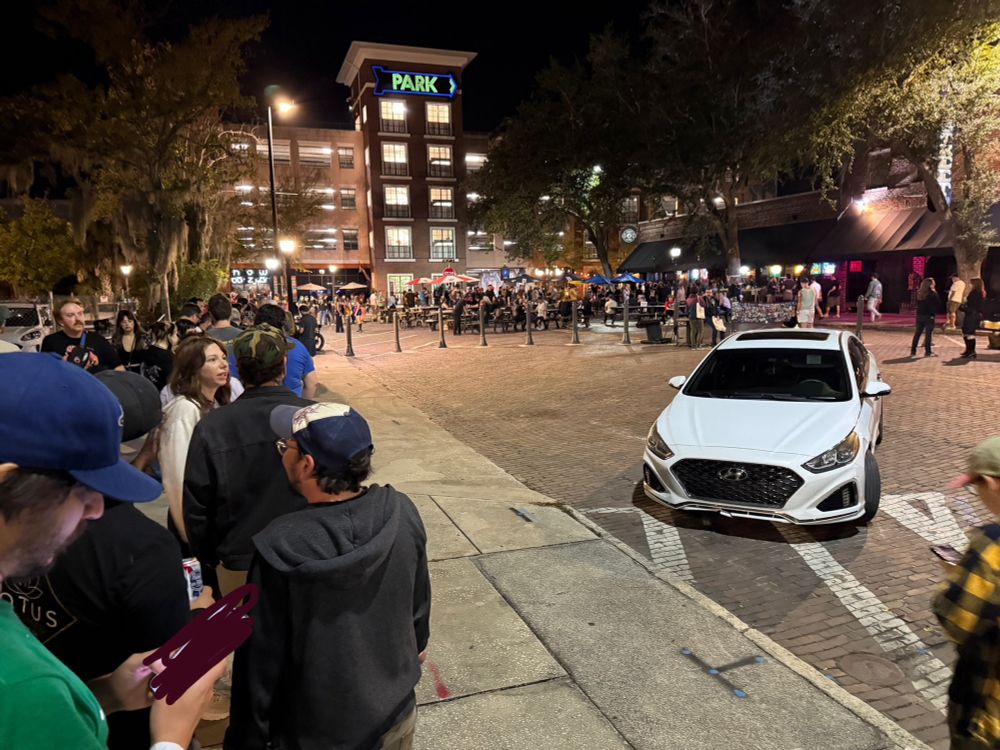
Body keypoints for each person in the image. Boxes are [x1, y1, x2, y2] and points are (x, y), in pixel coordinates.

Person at [0, 353, 223, 750]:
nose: (97, 509)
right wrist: (172, 738)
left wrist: (107, 696)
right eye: (81, 492)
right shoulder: (23, 686)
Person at [227, 402, 430, 750]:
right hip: (394, 716)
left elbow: (260, 664)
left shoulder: (280, 546)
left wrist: (247, 739)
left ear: (306, 464)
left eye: (286, 448)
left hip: (313, 733)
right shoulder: (400, 512)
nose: (282, 455)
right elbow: (418, 615)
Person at [184, 325, 313, 597]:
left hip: (240, 561)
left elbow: (197, 506)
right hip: (309, 556)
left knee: (246, 636)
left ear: (238, 369)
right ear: (284, 365)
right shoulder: (312, 417)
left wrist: (210, 556)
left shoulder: (213, 427)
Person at [933, 436, 1000, 750]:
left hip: (989, 715)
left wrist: (958, 575)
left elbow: (955, 615)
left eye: (977, 486)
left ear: (990, 483)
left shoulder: (992, 544)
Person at [159, 337, 232, 545]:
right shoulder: (184, 409)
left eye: (223, 357)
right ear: (193, 368)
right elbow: (176, 478)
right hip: (194, 526)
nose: (223, 364)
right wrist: (191, 538)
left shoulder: (216, 404)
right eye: (212, 359)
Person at [41, 298, 123, 373]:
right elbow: (45, 371)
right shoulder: (51, 342)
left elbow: (118, 367)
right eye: (71, 315)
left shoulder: (98, 340)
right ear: (60, 320)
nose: (77, 319)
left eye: (80, 314)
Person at [253, 304, 317, 399]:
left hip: (255, 405)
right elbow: (311, 384)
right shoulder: (297, 347)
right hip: (293, 405)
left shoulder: (245, 347)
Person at [141, 321, 176, 393]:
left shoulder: (147, 351)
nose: (177, 337)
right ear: (169, 336)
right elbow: (172, 381)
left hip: (149, 393)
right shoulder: (167, 356)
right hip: (165, 395)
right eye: (175, 334)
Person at [911, 278, 939, 358]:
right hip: (929, 315)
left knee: (917, 333)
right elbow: (938, 304)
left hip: (920, 315)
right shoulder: (932, 293)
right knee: (928, 334)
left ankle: (913, 351)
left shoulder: (920, 293)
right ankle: (928, 352)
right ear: (930, 285)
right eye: (933, 283)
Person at [961, 278, 986, 359]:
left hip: (972, 315)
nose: (970, 285)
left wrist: (964, 307)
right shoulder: (977, 292)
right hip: (971, 314)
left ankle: (972, 351)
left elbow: (975, 306)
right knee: (965, 332)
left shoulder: (976, 293)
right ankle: (968, 350)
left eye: (971, 283)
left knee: (969, 333)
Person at [113, 309, 144, 374]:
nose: (127, 324)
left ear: (134, 322)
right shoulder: (116, 339)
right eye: (124, 322)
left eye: (129, 321)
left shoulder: (142, 337)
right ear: (120, 324)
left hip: (141, 374)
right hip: (123, 375)